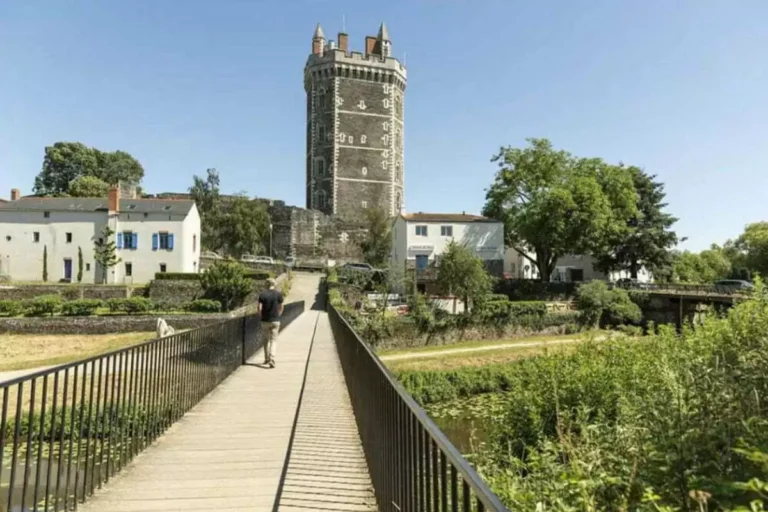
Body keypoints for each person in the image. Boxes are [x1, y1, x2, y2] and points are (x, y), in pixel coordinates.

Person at [258, 278, 284, 368]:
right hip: (275, 320)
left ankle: (266, 358)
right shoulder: (278, 294)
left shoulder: (262, 294)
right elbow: (281, 307)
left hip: (265, 320)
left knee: (266, 340)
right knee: (273, 340)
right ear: (274, 284)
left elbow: (259, 308)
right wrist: (278, 315)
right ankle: (272, 358)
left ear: (266, 284)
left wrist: (261, 316)